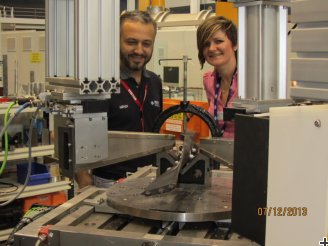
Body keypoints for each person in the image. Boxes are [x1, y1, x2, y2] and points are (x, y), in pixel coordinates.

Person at [75, 10, 162, 188]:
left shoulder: (154, 82)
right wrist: (84, 182)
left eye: (146, 43)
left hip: (151, 180)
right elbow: (79, 138)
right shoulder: (99, 84)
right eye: (131, 42)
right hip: (110, 182)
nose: (139, 50)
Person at [197, 16, 238, 138]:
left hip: (245, 153)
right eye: (206, 44)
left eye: (218, 41)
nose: (211, 48)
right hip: (219, 152)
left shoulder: (250, 81)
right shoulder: (209, 81)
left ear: (235, 44)